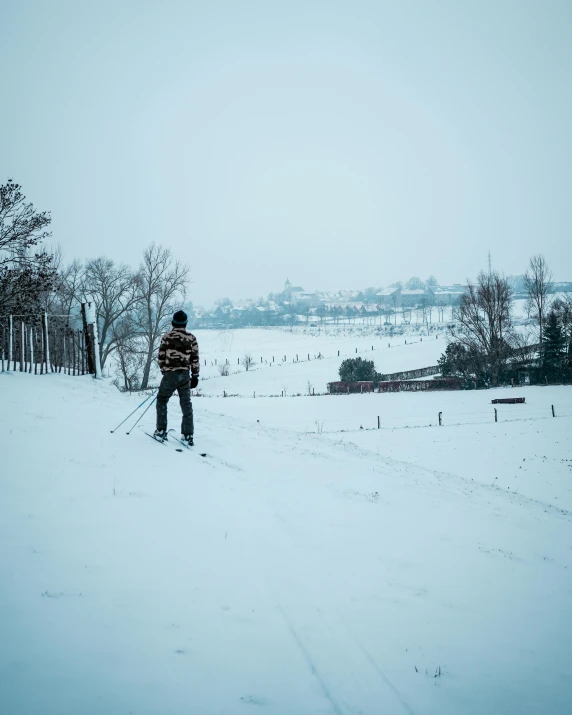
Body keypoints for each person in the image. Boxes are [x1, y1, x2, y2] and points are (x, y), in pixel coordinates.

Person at [154, 310, 199, 445]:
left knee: (162, 400)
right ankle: (188, 435)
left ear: (173, 322)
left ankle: (161, 431)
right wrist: (195, 376)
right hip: (185, 376)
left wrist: (164, 371)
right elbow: (195, 358)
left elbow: (161, 356)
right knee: (186, 404)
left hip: (170, 375)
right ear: (185, 323)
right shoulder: (191, 338)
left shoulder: (167, 337)